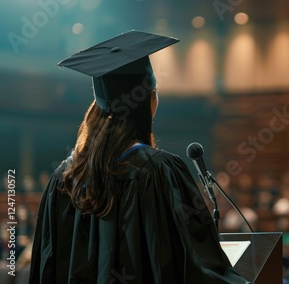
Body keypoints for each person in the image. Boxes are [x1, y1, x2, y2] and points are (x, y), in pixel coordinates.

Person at [29, 31, 247, 284]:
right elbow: (192, 265)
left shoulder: (64, 178)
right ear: (149, 101)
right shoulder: (158, 170)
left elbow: (46, 264)